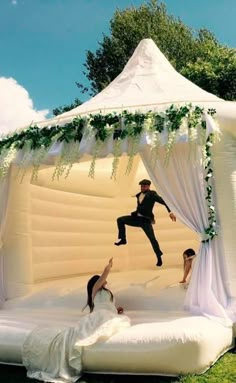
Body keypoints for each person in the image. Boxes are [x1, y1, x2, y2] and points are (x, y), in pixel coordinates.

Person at [114, 179, 176, 267]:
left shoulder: (152, 195)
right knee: (120, 219)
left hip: (145, 221)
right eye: (141, 186)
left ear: (148, 186)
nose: (142, 188)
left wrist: (170, 212)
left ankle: (159, 257)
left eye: (144, 186)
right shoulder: (139, 195)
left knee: (152, 239)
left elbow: (164, 202)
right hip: (137, 218)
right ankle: (123, 239)